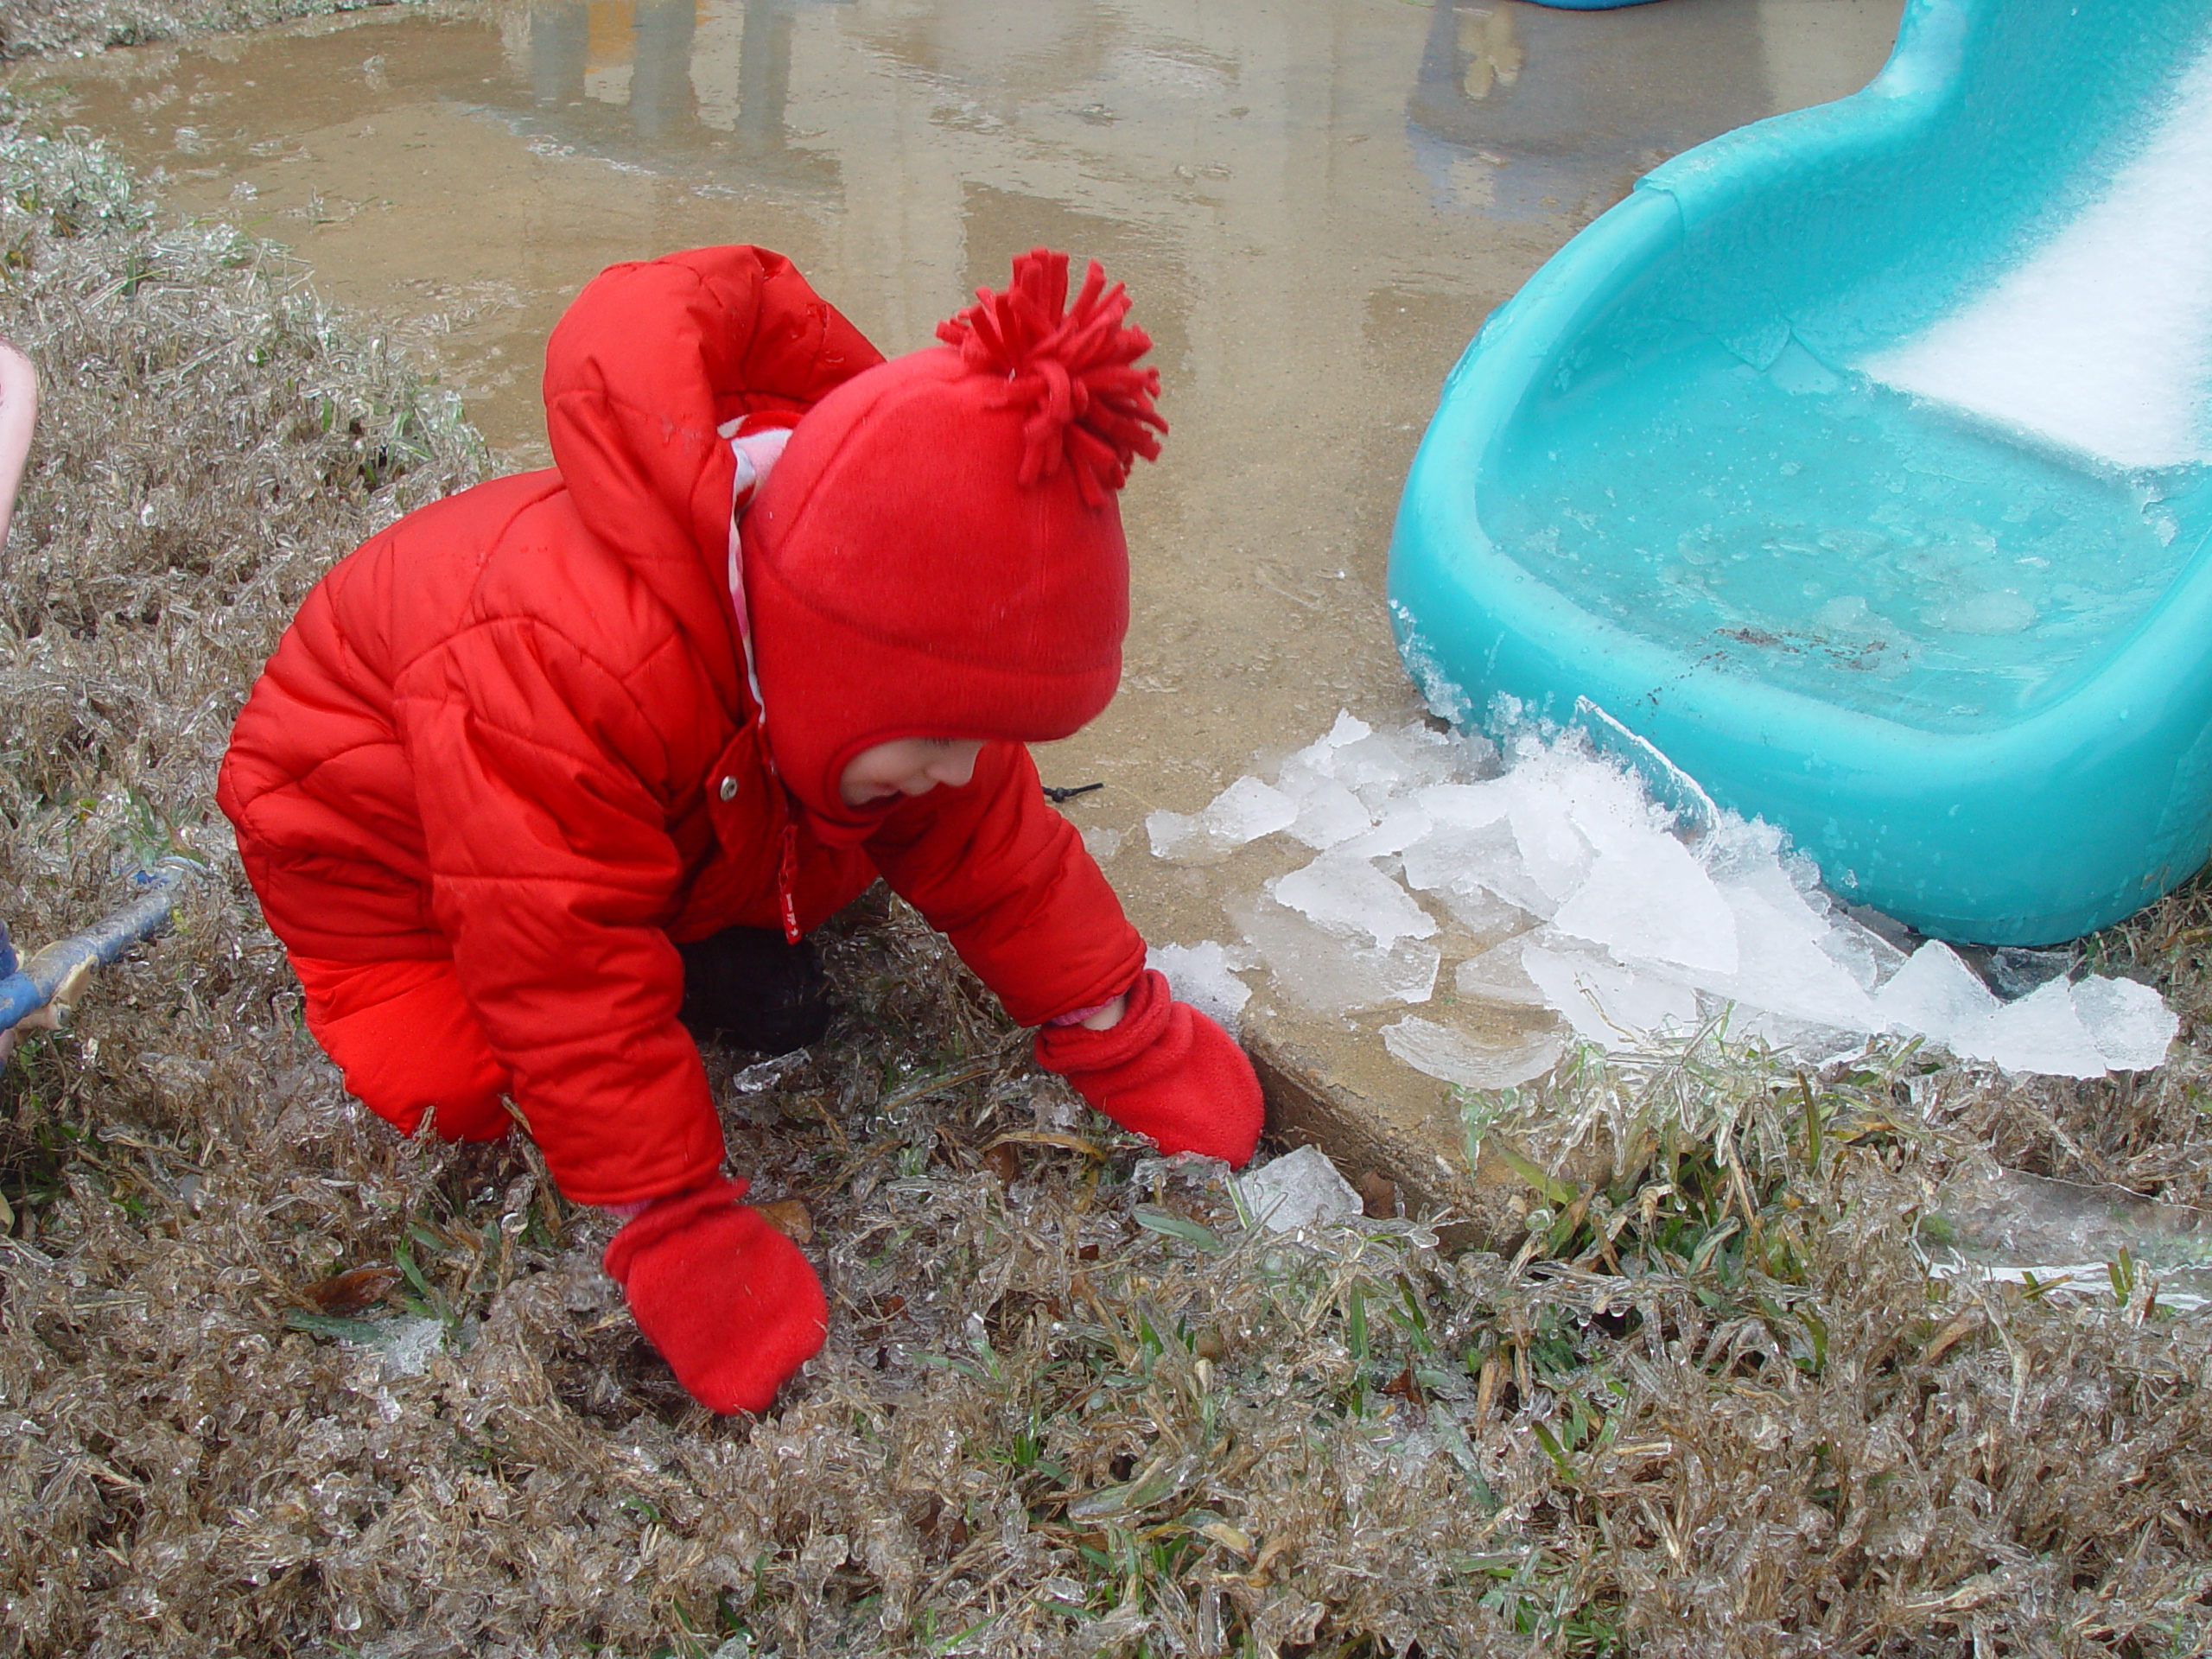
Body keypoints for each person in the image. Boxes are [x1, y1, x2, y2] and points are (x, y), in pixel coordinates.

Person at [217, 245, 1265, 1414]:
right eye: (944, 733)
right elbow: (554, 960)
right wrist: (674, 1223)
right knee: (455, 1090)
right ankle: (648, 953)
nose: (966, 764)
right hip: (389, 867)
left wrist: (1114, 1021)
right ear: (834, 669)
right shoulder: (562, 667)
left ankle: (694, 932)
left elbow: (995, 845)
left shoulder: (870, 648)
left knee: (862, 832)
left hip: (664, 799)